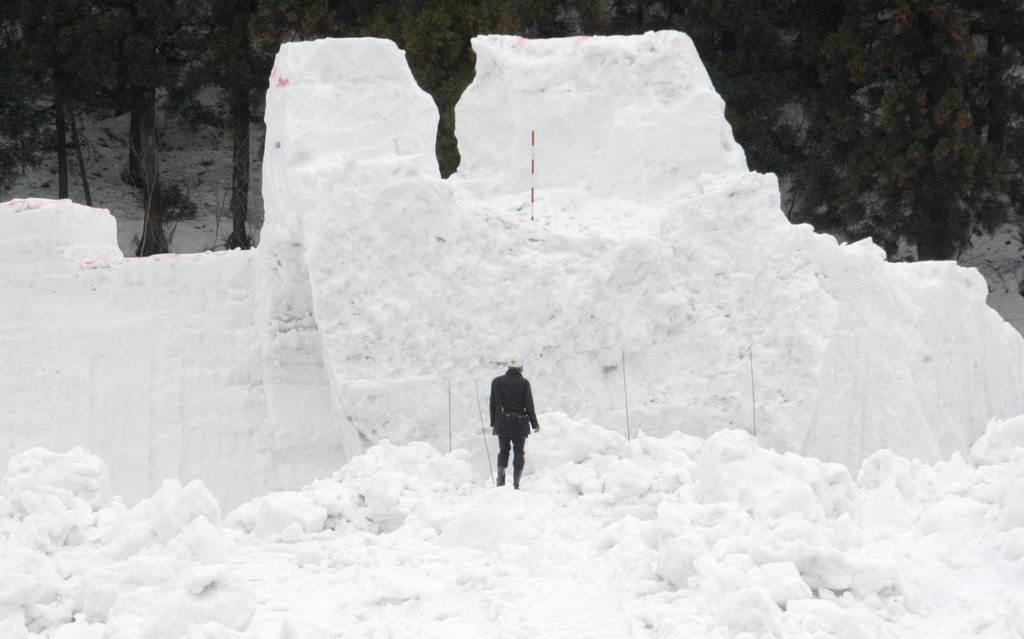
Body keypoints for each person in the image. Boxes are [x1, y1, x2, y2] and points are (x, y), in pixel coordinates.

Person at [490, 355, 540, 489]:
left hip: (503, 422)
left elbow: (493, 405)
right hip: (519, 424)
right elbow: (529, 405)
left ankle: (500, 481)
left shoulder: (497, 382)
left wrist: (494, 423)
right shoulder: (524, 383)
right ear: (521, 368)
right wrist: (534, 424)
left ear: (508, 367)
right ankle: (516, 484)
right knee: (519, 452)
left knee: (503, 451)